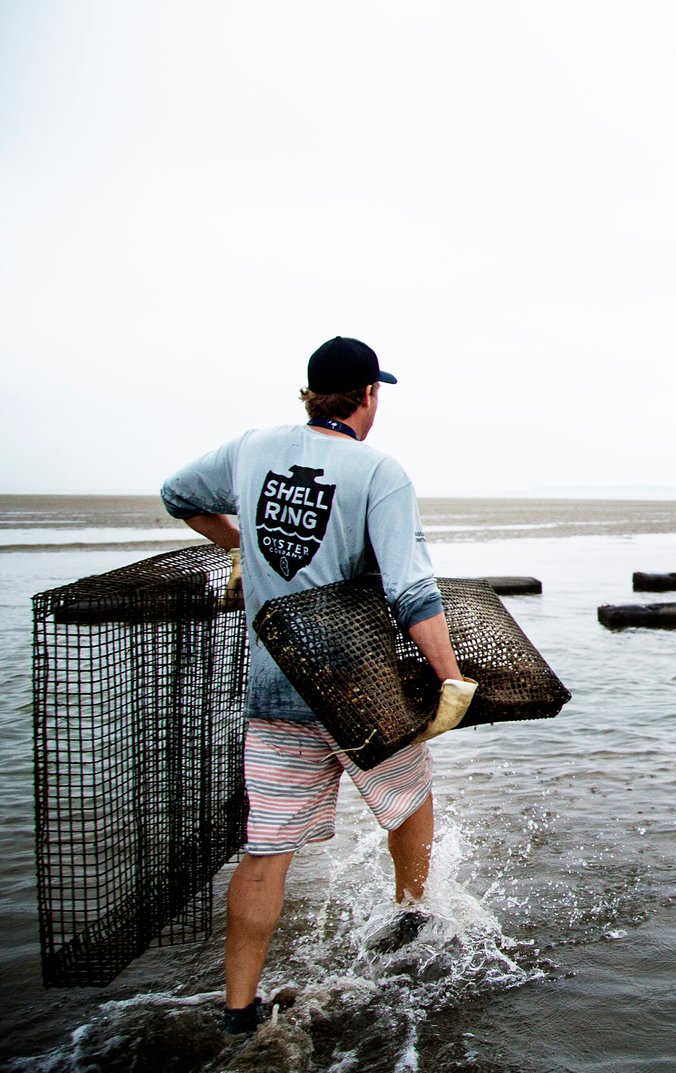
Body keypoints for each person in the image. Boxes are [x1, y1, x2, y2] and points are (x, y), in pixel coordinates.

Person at [161, 336, 469, 1036]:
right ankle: (416, 922)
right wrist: (452, 679)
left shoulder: (251, 450)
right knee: (411, 799)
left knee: (266, 849)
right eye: (375, 392)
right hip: (362, 696)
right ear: (368, 395)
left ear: (310, 392)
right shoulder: (379, 472)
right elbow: (413, 591)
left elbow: (176, 494)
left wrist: (240, 543)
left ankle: (238, 1011)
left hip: (275, 696)